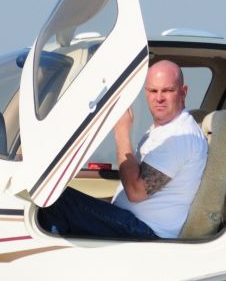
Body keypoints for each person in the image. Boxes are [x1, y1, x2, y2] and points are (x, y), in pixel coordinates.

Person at [38, 60, 208, 239]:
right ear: (146, 92)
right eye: (153, 91)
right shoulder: (166, 129)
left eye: (167, 90)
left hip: (146, 231)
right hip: (132, 222)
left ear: (183, 92)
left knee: (54, 199)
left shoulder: (179, 137)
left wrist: (121, 131)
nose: (159, 98)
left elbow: (136, 192)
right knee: (57, 196)